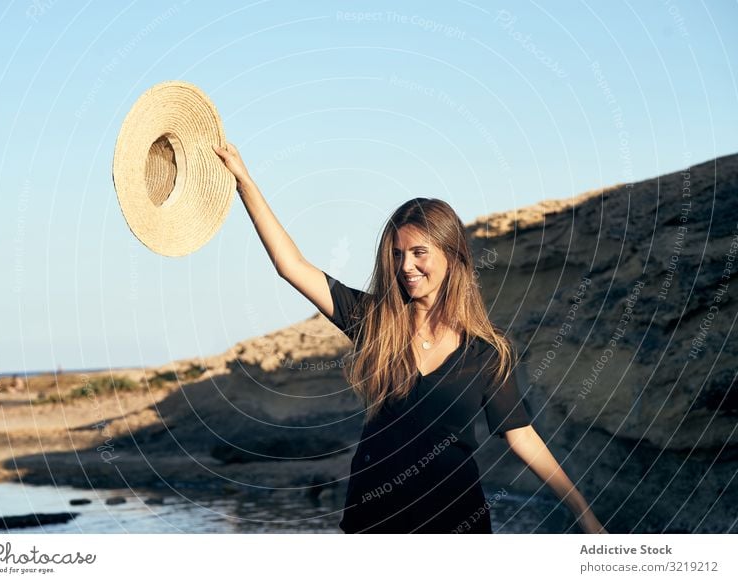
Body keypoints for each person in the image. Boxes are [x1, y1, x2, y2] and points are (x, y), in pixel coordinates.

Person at [213, 143, 607, 534]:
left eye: (420, 252)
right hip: (375, 521)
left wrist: (583, 514)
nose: (406, 266)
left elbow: (521, 437)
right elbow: (291, 265)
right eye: (398, 253)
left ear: (452, 255)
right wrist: (245, 182)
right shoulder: (374, 322)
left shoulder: (486, 354)